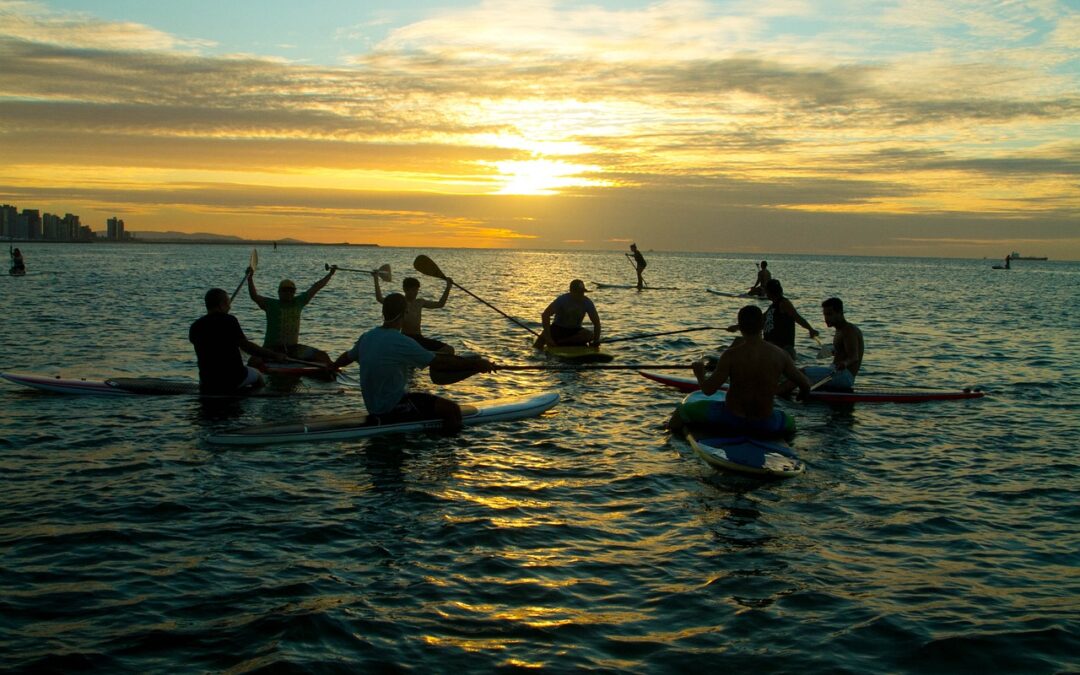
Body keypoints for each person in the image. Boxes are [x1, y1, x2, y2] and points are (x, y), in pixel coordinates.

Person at [332, 293, 494, 431]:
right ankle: (446, 453)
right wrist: (476, 365)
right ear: (405, 313)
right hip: (391, 407)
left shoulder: (367, 337)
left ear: (384, 312)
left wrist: (331, 367)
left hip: (373, 406)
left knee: (421, 400)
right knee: (451, 409)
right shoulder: (401, 341)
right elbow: (439, 364)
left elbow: (346, 357)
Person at [670, 305, 810, 437]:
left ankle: (670, 438)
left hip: (731, 418)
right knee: (791, 423)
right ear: (762, 325)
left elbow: (708, 390)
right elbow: (805, 385)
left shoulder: (730, 355)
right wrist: (801, 395)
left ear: (740, 326)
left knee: (682, 411)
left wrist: (700, 374)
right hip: (765, 422)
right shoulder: (780, 355)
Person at [189, 288, 287, 393]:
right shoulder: (229, 320)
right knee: (258, 375)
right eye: (227, 303)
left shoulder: (195, 326)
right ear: (221, 304)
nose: (229, 306)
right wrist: (275, 355)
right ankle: (256, 398)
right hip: (234, 379)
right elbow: (247, 347)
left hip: (207, 382)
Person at [247, 264, 337, 365]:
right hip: (271, 349)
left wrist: (330, 274)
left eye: (291, 290)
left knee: (323, 356)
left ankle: (330, 371)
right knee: (254, 361)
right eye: (285, 290)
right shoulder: (270, 304)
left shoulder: (299, 302)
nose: (288, 293)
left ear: (294, 292)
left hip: (293, 348)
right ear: (279, 292)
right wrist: (250, 278)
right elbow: (254, 296)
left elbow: (316, 287)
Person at [782, 297, 863, 393]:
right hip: (835, 372)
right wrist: (831, 351)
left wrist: (844, 363)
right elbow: (842, 351)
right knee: (800, 376)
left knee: (801, 373)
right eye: (825, 314)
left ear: (840, 313)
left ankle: (775, 395)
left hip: (844, 376)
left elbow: (854, 357)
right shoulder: (839, 330)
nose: (826, 318)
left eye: (829, 314)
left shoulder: (849, 330)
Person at [726, 279, 819, 359]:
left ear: (769, 291)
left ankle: (727, 361)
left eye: (766, 290)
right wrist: (737, 327)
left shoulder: (784, 303)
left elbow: (797, 317)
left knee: (740, 342)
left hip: (781, 348)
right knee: (739, 341)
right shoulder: (773, 307)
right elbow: (758, 322)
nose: (765, 292)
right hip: (769, 346)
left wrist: (810, 329)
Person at [374, 274, 454, 354]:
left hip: (419, 338)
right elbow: (380, 298)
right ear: (405, 290)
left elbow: (440, 304)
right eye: (412, 290)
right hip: (406, 337)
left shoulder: (420, 302)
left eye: (416, 290)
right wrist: (376, 279)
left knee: (449, 350)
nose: (415, 293)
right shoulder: (400, 303)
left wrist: (448, 288)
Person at [533, 279, 602, 349]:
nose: (580, 295)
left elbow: (596, 323)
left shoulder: (587, 302)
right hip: (558, 328)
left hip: (575, 330)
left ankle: (562, 342)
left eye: (582, 292)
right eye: (577, 292)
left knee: (589, 335)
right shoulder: (562, 300)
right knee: (538, 344)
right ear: (571, 292)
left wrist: (596, 340)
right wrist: (548, 337)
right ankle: (559, 341)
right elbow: (545, 315)